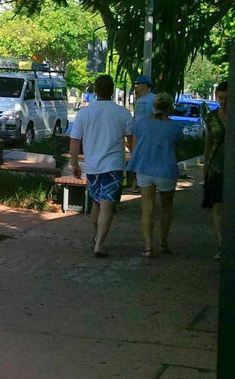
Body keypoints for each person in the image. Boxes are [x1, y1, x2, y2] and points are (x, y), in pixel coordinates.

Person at [69, 73, 135, 258]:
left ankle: (97, 237)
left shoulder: (84, 112)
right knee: (107, 205)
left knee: (96, 203)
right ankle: (99, 243)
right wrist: (136, 160)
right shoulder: (122, 113)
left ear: (95, 91)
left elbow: (75, 140)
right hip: (113, 165)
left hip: (92, 166)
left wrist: (75, 163)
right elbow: (131, 141)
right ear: (112, 91)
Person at [126, 92, 184, 257]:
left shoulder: (142, 123)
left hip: (144, 168)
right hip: (166, 169)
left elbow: (135, 146)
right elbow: (177, 147)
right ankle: (163, 242)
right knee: (166, 208)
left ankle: (148, 246)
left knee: (147, 208)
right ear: (170, 107)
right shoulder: (176, 127)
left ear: (154, 105)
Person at [202, 80, 227, 259]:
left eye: (227, 98)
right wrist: (206, 165)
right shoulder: (211, 117)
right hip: (216, 169)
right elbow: (208, 142)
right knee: (217, 205)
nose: (223, 102)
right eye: (220, 98)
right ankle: (221, 244)